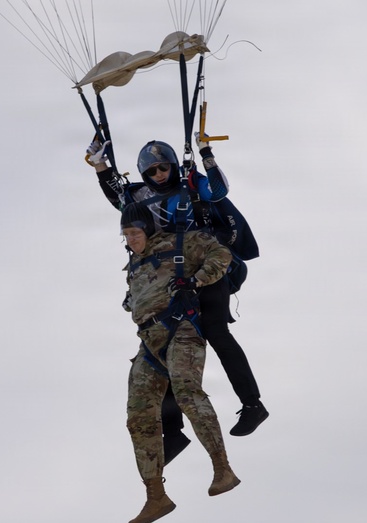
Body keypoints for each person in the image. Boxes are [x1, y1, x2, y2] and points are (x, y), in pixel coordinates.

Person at [88, 138, 268, 452]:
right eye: (152, 170)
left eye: (163, 167)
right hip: (175, 279)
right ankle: (172, 432)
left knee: (215, 332)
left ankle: (252, 405)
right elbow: (117, 198)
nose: (159, 173)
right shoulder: (140, 196)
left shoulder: (191, 184)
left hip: (209, 267)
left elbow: (220, 191)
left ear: (172, 164)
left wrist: (206, 155)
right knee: (162, 345)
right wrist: (100, 165)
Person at [120, 203, 239, 523]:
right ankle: (155, 497)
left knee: (187, 392)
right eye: (126, 235)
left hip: (181, 331)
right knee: (138, 415)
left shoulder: (180, 243)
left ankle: (222, 469)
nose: (131, 239)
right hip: (148, 344)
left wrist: (197, 280)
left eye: (135, 232)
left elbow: (221, 255)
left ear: (147, 229)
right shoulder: (133, 263)